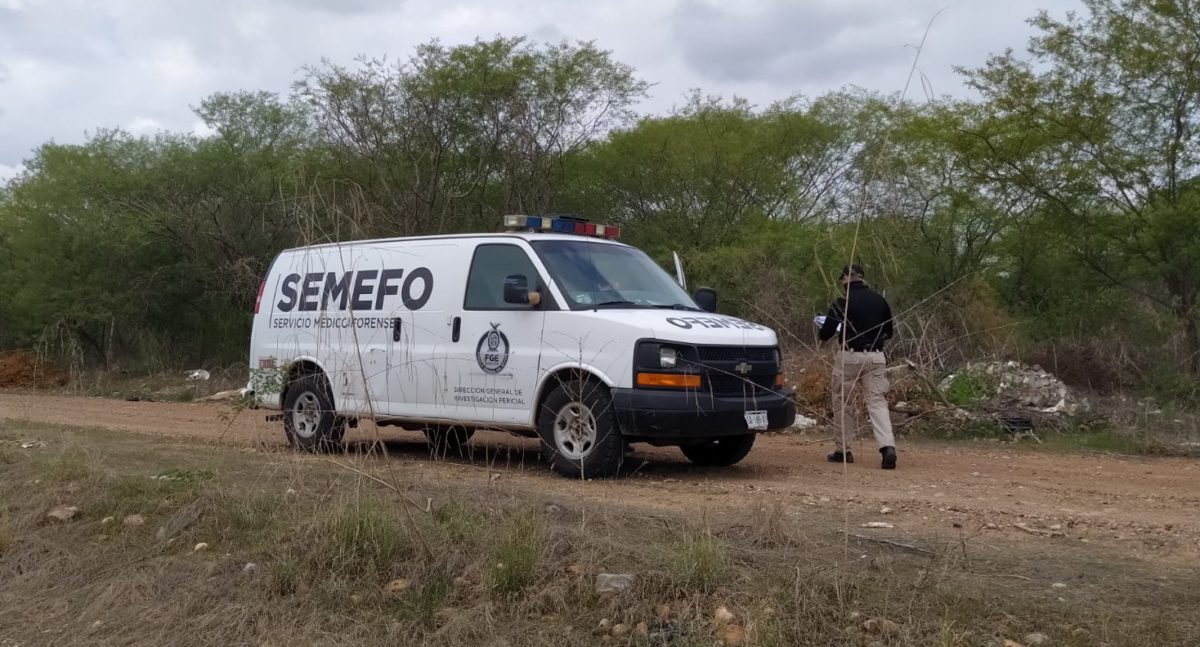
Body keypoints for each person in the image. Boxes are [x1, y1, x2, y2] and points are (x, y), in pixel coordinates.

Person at [816, 264, 897, 469]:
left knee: (843, 403)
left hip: (849, 357)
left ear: (845, 279)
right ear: (862, 279)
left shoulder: (842, 302)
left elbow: (825, 334)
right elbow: (889, 331)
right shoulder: (880, 300)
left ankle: (843, 451)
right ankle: (887, 447)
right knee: (877, 402)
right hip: (876, 357)